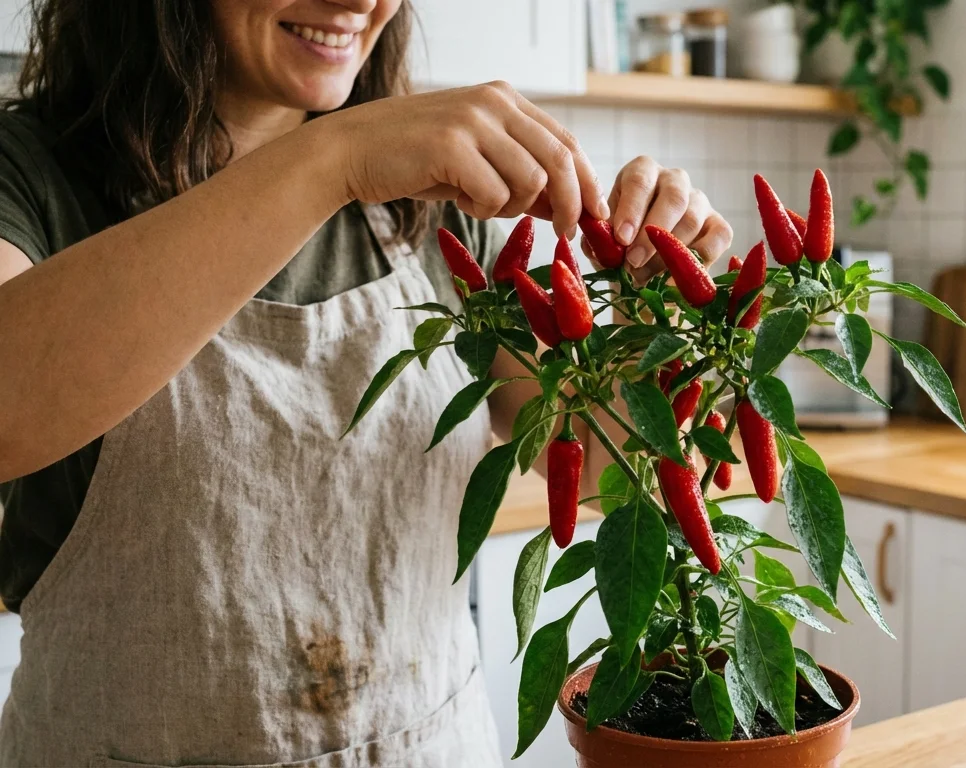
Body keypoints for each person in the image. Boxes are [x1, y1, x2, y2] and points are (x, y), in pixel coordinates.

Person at [0, 0, 732, 764]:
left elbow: (610, 470)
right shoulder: (30, 169)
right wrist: (333, 160)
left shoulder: (438, 203)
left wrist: (655, 308)